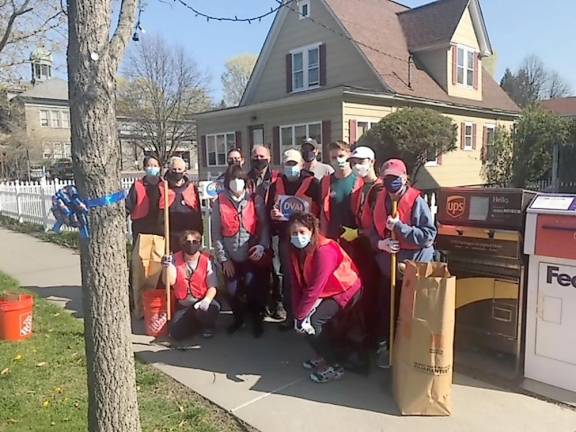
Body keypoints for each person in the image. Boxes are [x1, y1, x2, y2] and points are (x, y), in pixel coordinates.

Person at [368, 158, 437, 368]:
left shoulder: (417, 201)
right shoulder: (379, 199)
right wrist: (381, 243)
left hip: (413, 269)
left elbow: (428, 236)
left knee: (411, 314)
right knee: (385, 311)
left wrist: (400, 228)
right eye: (387, 178)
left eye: (395, 178)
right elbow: (369, 230)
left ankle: (410, 356)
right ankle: (386, 350)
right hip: (388, 267)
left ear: (404, 178)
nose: (391, 183)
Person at [288, 212, 362, 383]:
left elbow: (315, 287)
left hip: (345, 289)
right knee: (304, 323)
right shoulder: (295, 251)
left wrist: (301, 316)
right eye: (294, 233)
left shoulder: (324, 250)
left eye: (302, 232)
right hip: (326, 291)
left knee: (313, 322)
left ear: (312, 231)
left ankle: (334, 366)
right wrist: (296, 314)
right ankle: (323, 355)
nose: (298, 236)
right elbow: (296, 284)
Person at [211, 165, 270, 337]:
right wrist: (224, 259)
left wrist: (262, 246)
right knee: (232, 290)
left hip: (251, 253)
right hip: (231, 255)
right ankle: (238, 319)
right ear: (227, 182)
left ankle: (257, 320)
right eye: (232, 179)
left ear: (245, 181)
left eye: (239, 179)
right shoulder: (219, 202)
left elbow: (264, 226)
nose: (236, 183)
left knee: (254, 289)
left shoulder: (255, 199)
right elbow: (216, 233)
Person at [269, 149, 320, 327]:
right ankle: (291, 316)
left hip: (308, 239)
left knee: (311, 278)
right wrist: (273, 214)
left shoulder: (313, 183)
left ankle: (310, 315)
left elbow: (321, 209)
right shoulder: (276, 184)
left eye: (294, 164)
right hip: (286, 237)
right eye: (288, 164)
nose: (291, 167)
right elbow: (269, 208)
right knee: (291, 278)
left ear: (301, 164)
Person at [348, 146, 384, 351]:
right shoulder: (361, 187)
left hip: (375, 248)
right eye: (354, 162)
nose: (356, 166)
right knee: (363, 291)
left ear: (371, 162)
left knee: (372, 294)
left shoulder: (379, 189)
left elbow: (378, 224)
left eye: (361, 162)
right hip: (362, 245)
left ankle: (373, 339)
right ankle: (365, 333)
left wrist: (360, 234)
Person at [162, 230, 220, 340]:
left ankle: (207, 326)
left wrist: (206, 301)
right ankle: (193, 323)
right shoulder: (174, 258)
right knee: (176, 334)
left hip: (202, 301)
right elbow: (169, 282)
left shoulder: (207, 260)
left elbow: (213, 287)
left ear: (199, 243)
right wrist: (166, 267)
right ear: (182, 244)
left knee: (210, 309)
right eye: (187, 242)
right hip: (184, 304)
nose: (191, 245)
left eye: (194, 241)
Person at [319, 141, 363, 254]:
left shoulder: (359, 180)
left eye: (341, 156)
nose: (338, 160)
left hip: (355, 239)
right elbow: (322, 213)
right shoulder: (325, 182)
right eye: (334, 157)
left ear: (349, 156)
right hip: (332, 239)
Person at [160, 156, 203, 252]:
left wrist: (199, 232)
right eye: (174, 169)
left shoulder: (191, 188)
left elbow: (197, 211)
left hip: (189, 236)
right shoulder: (163, 188)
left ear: (184, 171)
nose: (177, 172)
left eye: (179, 169)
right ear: (169, 170)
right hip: (170, 236)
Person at [125, 155, 163, 242]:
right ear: (145, 168)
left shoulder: (164, 185)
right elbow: (128, 206)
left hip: (160, 228)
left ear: (159, 167)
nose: (152, 168)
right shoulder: (137, 185)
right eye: (149, 165)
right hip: (141, 227)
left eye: (155, 166)